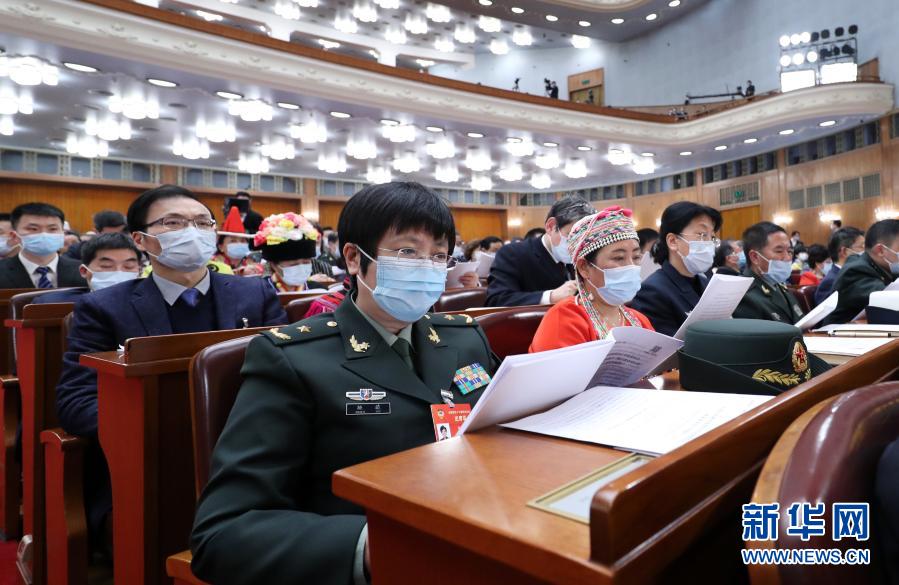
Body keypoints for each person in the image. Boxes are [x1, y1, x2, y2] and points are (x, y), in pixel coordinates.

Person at [190, 181, 498, 584]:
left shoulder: (464, 338)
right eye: (407, 252)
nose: (426, 267)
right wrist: (373, 545)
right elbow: (224, 532)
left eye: (439, 256)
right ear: (354, 258)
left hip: (480, 532)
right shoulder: (293, 359)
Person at [55, 184, 286, 558]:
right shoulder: (105, 307)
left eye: (202, 222)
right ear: (140, 239)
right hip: (153, 462)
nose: (192, 232)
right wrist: (159, 431)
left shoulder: (254, 293)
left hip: (250, 451)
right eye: (173, 223)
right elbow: (75, 399)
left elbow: (288, 374)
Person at [530, 207, 653, 352]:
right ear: (584, 267)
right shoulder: (565, 318)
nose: (631, 266)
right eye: (618, 258)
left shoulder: (639, 320)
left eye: (636, 257)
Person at [630, 201, 722, 336]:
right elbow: (666, 345)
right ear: (673, 241)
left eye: (711, 237)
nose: (709, 243)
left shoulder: (706, 283)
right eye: (702, 235)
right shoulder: (652, 292)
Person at [486, 196, 595, 307]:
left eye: (584, 239)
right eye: (572, 236)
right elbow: (497, 300)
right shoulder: (513, 254)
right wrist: (551, 297)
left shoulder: (585, 257)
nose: (578, 246)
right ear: (551, 227)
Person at [824, 219, 899, 325]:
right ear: (881, 250)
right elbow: (890, 301)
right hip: (837, 334)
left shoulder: (884, 267)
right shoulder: (856, 270)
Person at [0, 202, 87, 289]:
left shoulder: (83, 270)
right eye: (33, 229)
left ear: (63, 233)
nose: (44, 234)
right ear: (14, 235)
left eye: (52, 229)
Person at [35, 232, 141, 303]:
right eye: (107, 266)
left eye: (129, 267)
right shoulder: (51, 304)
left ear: (139, 271)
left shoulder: (148, 303)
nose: (119, 272)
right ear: (84, 271)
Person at [732, 221, 805, 324]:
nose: (788, 258)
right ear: (755, 257)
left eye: (789, 251)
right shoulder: (742, 295)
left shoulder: (779, 286)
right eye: (779, 251)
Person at [256, 212, 334, 292]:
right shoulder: (260, 292)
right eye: (294, 264)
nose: (301, 268)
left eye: (306, 262)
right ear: (274, 265)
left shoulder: (319, 290)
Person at [815, 226, 865, 304]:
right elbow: (829, 311)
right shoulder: (830, 282)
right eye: (861, 247)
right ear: (844, 251)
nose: (866, 251)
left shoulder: (857, 274)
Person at [212, 207, 263, 276]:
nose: (239, 244)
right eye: (233, 241)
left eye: (243, 240)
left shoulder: (251, 263)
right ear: (221, 247)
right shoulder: (213, 266)